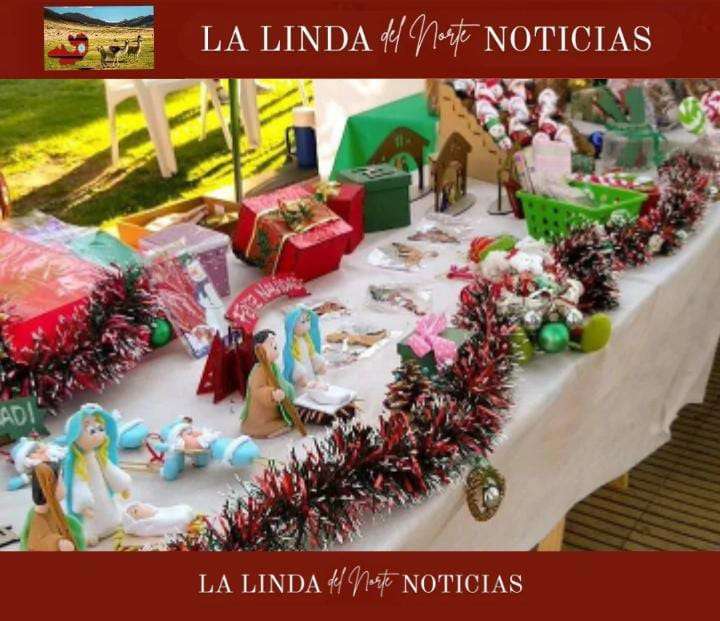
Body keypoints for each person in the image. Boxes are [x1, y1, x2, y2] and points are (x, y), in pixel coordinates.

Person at [63, 404, 132, 546]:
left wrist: (123, 485)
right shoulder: (78, 464)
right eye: (92, 431)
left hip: (104, 495)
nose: (100, 434)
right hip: (90, 504)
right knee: (92, 517)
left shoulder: (99, 456)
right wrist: (83, 505)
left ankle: (112, 522)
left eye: (101, 429)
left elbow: (110, 471)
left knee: (106, 504)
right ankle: (90, 532)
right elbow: (78, 483)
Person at [240, 330, 296, 438]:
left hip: (273, 410)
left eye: (275, 346)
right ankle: (266, 430)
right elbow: (258, 390)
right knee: (282, 424)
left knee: (289, 418)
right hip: (262, 415)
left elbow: (280, 381)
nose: (276, 349)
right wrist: (272, 394)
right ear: (259, 351)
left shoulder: (273, 366)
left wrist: (288, 388)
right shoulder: (259, 371)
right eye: (272, 346)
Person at [21, 462, 85, 551]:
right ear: (50, 487)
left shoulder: (52, 510)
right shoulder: (37, 517)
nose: (64, 485)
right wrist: (58, 542)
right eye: (61, 481)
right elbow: (38, 539)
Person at [282, 306, 327, 390]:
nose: (307, 325)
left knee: (314, 384)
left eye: (308, 320)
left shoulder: (306, 338)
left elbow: (311, 352)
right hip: (301, 373)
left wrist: (318, 361)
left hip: (309, 367)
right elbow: (292, 361)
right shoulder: (291, 344)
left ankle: (312, 384)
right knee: (303, 388)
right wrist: (299, 373)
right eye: (303, 322)